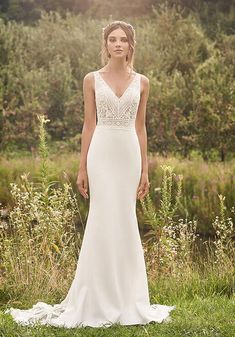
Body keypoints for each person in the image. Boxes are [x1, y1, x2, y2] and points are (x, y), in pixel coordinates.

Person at [5, 20, 176, 328]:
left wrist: (145, 169)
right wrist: (82, 166)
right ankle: (95, 298)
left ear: (131, 45)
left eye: (124, 39)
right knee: (100, 219)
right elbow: (89, 124)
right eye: (113, 39)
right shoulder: (91, 79)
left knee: (125, 222)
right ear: (106, 44)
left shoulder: (143, 82)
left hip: (129, 155)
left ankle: (128, 299)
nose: (118, 44)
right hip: (101, 153)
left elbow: (141, 127)